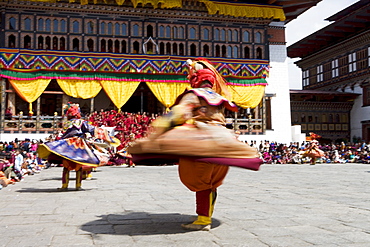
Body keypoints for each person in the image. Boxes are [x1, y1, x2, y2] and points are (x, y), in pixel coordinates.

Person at [129, 58, 262, 231]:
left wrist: (157, 131)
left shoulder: (193, 95)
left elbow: (179, 114)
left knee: (201, 183)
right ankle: (205, 215)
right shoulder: (219, 97)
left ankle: (203, 220)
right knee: (212, 183)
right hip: (223, 143)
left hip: (200, 144)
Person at [38, 103, 119, 191]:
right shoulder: (80, 122)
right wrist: (107, 136)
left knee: (66, 167)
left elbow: (64, 135)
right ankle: (78, 185)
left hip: (67, 145)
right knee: (79, 166)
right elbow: (92, 129)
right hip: (78, 145)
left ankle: (64, 186)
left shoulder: (66, 124)